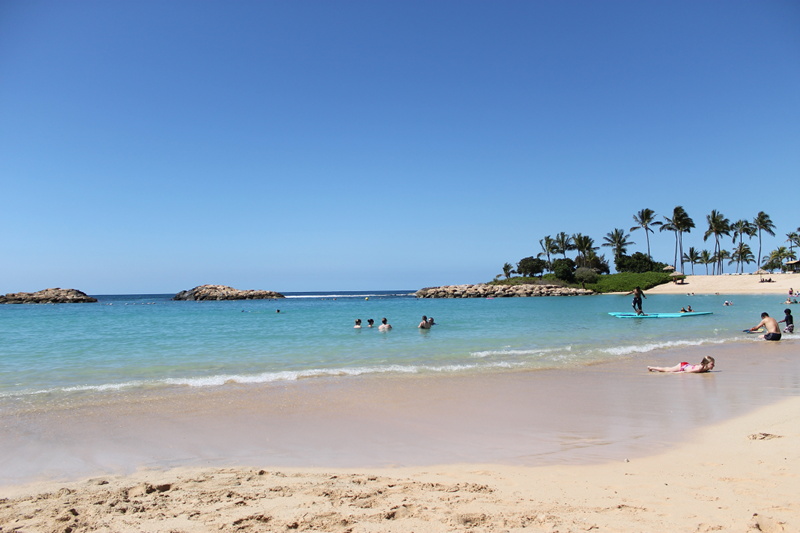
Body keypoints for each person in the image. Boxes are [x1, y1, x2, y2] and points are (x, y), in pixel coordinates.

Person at [648, 356, 715, 373]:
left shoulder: (705, 367)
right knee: (667, 370)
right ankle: (651, 367)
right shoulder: (698, 369)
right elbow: (685, 372)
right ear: (706, 364)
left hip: (687, 365)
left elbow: (706, 357)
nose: (713, 366)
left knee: (667, 369)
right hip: (683, 366)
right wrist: (675, 373)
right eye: (712, 364)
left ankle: (655, 368)